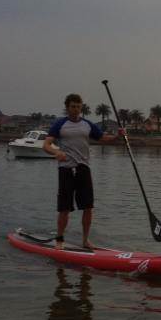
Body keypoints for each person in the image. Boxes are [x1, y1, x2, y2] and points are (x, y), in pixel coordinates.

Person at [43, 93, 123, 249]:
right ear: (67, 107)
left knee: (88, 207)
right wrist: (56, 152)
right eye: (73, 106)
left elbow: (102, 138)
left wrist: (118, 136)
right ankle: (59, 239)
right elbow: (46, 145)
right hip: (66, 169)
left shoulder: (87, 124)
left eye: (78, 107)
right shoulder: (60, 124)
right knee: (64, 208)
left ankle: (85, 240)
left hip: (83, 169)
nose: (76, 109)